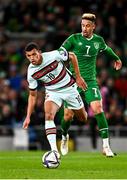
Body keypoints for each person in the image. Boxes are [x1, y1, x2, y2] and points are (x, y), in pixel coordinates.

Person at [60, 13, 122, 157]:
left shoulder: (98, 41)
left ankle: (106, 146)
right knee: (68, 116)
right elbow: (60, 52)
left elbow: (107, 49)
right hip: (73, 82)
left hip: (90, 82)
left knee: (98, 109)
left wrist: (116, 58)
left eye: (88, 26)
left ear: (94, 26)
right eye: (83, 25)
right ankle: (64, 136)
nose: (85, 28)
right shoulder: (74, 39)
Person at [22, 42, 88, 158]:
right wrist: (28, 116)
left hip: (69, 88)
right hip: (53, 92)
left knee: (83, 118)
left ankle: (64, 135)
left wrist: (78, 76)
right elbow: (32, 95)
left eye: (34, 54)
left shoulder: (53, 55)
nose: (32, 58)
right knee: (48, 115)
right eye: (28, 56)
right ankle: (54, 151)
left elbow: (72, 56)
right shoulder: (31, 72)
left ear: (39, 52)